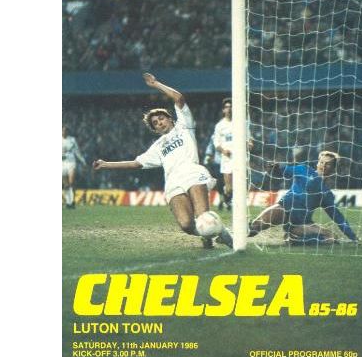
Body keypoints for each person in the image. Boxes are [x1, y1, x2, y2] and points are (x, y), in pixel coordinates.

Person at [93, 73, 233, 249]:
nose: (159, 122)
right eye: (155, 123)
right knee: (186, 225)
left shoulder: (184, 126)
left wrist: (156, 84)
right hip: (173, 182)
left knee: (203, 215)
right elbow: (136, 163)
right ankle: (208, 233)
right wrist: (106, 164)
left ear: (170, 118)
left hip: (192, 172)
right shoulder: (157, 146)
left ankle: (221, 233)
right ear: (155, 130)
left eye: (161, 118)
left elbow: (179, 98)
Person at [248, 150, 361, 245]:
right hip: (283, 210)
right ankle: (241, 235)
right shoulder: (303, 170)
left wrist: (353, 237)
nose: (323, 165)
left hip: (301, 223)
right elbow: (282, 172)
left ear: (333, 168)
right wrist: (275, 168)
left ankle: (293, 239)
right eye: (321, 162)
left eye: (328, 164)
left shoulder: (326, 193)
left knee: (331, 237)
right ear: (317, 163)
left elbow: (338, 218)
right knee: (254, 227)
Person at [211, 97, 233, 209]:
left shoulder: (242, 122)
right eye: (227, 107)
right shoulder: (220, 125)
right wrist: (224, 151)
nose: (229, 109)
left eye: (231, 107)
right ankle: (225, 195)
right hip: (227, 159)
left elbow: (249, 139)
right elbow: (216, 143)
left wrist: (250, 144)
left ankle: (232, 203)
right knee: (229, 188)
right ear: (223, 110)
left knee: (241, 185)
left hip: (241, 158)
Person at [62, 125, 87, 209]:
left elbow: (77, 151)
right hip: (62, 163)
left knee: (71, 182)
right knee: (65, 184)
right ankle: (68, 202)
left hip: (71, 162)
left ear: (68, 132)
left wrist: (83, 161)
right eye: (63, 130)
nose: (64, 132)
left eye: (65, 131)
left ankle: (72, 201)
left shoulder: (72, 140)